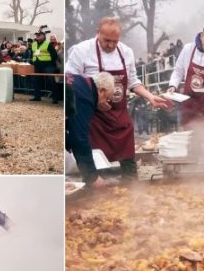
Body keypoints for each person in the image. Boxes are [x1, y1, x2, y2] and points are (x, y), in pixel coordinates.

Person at [65, 17, 171, 179]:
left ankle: (131, 187)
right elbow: (69, 80)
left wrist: (150, 97)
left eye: (115, 41)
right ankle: (97, 184)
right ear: (97, 33)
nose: (111, 45)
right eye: (106, 40)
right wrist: (94, 99)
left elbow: (133, 81)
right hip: (94, 117)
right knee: (97, 159)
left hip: (119, 114)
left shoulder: (126, 52)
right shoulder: (81, 50)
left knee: (128, 159)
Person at [65, 71, 116, 187]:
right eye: (107, 98)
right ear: (102, 91)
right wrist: (92, 176)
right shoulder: (84, 97)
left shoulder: (80, 82)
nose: (106, 103)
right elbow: (80, 137)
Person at [30, 28, 59, 103]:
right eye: (36, 34)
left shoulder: (47, 44)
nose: (37, 36)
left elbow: (54, 55)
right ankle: (37, 97)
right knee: (36, 81)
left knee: (51, 81)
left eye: (39, 35)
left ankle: (55, 98)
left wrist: (51, 64)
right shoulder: (33, 44)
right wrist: (32, 61)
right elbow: (32, 54)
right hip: (37, 65)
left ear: (44, 36)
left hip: (47, 65)